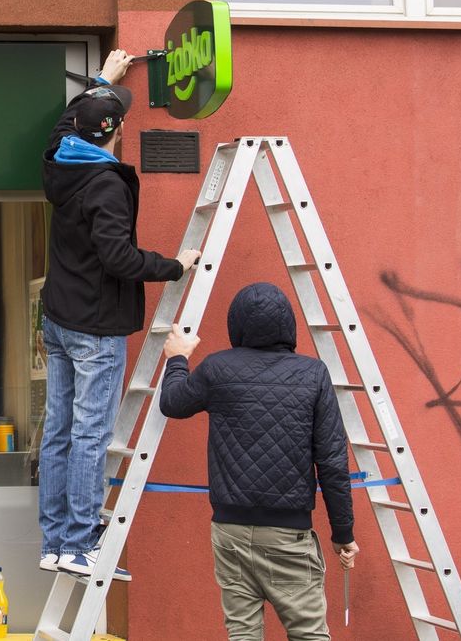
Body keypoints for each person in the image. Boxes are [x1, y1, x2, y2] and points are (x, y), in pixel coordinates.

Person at [38, 49, 201, 578]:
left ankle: (56, 542)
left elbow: (66, 123)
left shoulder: (62, 157)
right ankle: (80, 544)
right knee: (88, 433)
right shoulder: (105, 184)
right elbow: (119, 258)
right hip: (93, 327)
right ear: (116, 131)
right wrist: (175, 266)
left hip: (60, 320)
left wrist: (99, 80)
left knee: (60, 430)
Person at [159, 282, 360, 640]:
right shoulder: (313, 374)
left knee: (243, 634)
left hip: (229, 531)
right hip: (289, 534)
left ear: (236, 324)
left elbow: (172, 402)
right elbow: (331, 462)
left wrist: (177, 357)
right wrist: (342, 534)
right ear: (288, 325)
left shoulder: (217, 368)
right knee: (310, 634)